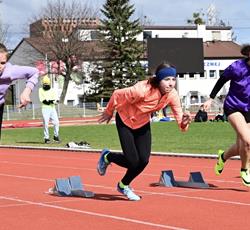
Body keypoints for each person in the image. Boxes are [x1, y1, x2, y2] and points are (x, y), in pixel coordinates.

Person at [97, 62, 192, 201]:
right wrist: (109, 111)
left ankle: (123, 185)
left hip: (142, 123)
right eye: (167, 79)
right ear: (159, 79)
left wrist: (185, 121)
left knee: (144, 160)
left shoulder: (172, 95)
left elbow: (181, 125)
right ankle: (107, 157)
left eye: (173, 79)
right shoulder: (141, 90)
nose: (171, 83)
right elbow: (117, 94)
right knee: (133, 161)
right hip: (125, 120)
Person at [203, 44, 250, 187]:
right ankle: (245, 169)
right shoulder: (237, 67)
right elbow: (221, 80)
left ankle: (222, 157)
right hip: (234, 107)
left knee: (241, 144)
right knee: (247, 141)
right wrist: (211, 98)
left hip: (249, 109)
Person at [0, 43, 39, 139]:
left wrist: (27, 91)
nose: (0, 66)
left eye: (2, 63)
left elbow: (34, 72)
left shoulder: (9, 71)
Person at [39, 75, 60, 144]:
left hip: (52, 108)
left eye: (47, 84)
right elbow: (43, 100)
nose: (46, 86)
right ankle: (46, 138)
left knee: (56, 122)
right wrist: (51, 101)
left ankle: (56, 136)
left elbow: (55, 99)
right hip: (45, 109)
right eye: (45, 84)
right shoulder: (40, 90)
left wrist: (52, 101)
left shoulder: (52, 90)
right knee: (45, 123)